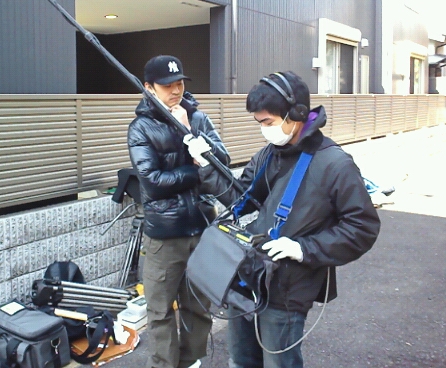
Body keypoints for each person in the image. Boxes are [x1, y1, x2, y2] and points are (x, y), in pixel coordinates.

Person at [196, 71, 381, 368]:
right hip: (248, 274)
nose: (263, 130)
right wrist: (206, 165)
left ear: (296, 114)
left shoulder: (334, 164)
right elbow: (241, 199)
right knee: (241, 360)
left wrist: (304, 248)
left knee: (279, 364)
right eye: (259, 123)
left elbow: (363, 227)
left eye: (268, 122)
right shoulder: (270, 154)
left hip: (288, 287)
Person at [127, 54, 230, 368]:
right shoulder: (141, 127)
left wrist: (189, 131)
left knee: (198, 305)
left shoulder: (197, 118)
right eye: (167, 85)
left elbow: (223, 161)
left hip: (202, 227)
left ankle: (191, 361)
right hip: (164, 235)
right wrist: (198, 171)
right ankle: (164, 364)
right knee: (159, 310)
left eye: (180, 83)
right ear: (149, 87)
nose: (175, 90)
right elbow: (153, 182)